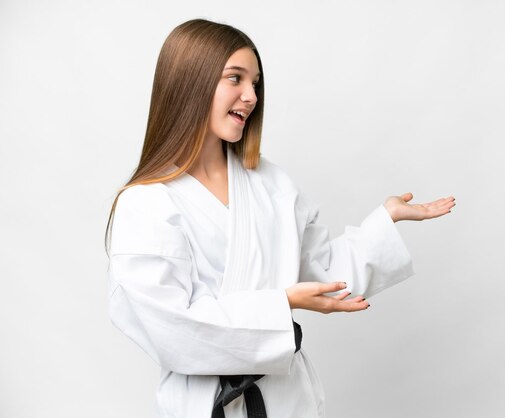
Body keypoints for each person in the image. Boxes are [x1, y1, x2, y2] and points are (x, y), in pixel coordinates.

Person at [105, 18, 455, 418]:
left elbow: (322, 272)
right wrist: (280, 304)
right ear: (189, 82)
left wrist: (385, 221)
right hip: (202, 406)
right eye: (234, 78)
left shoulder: (270, 184)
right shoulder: (146, 203)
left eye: (255, 83)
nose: (251, 96)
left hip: (288, 400)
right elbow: (172, 330)